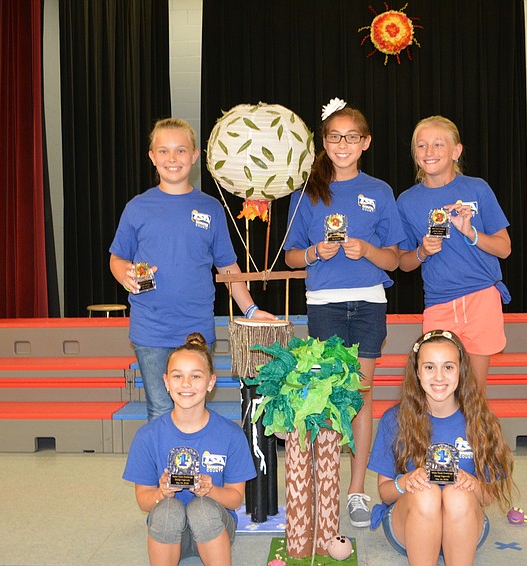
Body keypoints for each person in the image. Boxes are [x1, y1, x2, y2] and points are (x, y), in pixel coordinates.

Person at [284, 98, 405, 528]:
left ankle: (356, 490)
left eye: (352, 137)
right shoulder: (307, 194)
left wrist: (367, 250)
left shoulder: (379, 191)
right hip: (325, 306)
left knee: (362, 396)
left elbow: (394, 260)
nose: (343, 144)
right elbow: (292, 257)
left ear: (366, 142)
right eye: (335, 136)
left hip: (369, 302)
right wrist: (317, 251)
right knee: (329, 395)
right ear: (324, 140)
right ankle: (326, 484)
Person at [109, 117, 275, 421]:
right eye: (164, 151)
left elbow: (229, 267)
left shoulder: (211, 208)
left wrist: (250, 310)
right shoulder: (137, 208)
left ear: (195, 156)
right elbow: (116, 258)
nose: (172, 159)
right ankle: (165, 470)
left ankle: (193, 470)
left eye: (181, 151)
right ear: (152, 157)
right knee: (160, 409)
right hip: (150, 329)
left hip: (197, 328)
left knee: (194, 407)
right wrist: (125, 275)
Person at [367, 330, 515, 565]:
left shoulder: (480, 421)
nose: (439, 377)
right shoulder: (394, 419)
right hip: (407, 524)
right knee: (426, 493)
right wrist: (406, 481)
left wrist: (473, 484)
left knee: (457, 495)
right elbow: (385, 494)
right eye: (429, 367)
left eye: (448, 367)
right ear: (417, 371)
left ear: (461, 371)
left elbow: (487, 498)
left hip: (465, 524)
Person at [397, 116, 512, 390]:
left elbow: (504, 248)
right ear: (415, 154)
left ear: (456, 151)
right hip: (439, 303)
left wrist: (470, 233)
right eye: (422, 146)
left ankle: (472, 436)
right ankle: (441, 436)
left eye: (438, 144)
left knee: (474, 392)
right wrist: (422, 251)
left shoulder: (477, 188)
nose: (429, 152)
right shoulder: (406, 201)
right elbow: (403, 263)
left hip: (482, 298)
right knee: (439, 389)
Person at [123, 332, 257, 566]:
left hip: (214, 526)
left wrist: (210, 489)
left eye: (195, 376)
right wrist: (160, 492)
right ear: (166, 382)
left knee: (202, 508)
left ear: (211, 382)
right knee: (167, 510)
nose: (186, 384)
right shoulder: (147, 436)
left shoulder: (231, 435)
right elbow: (144, 501)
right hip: (169, 530)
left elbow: (235, 499)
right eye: (178, 376)